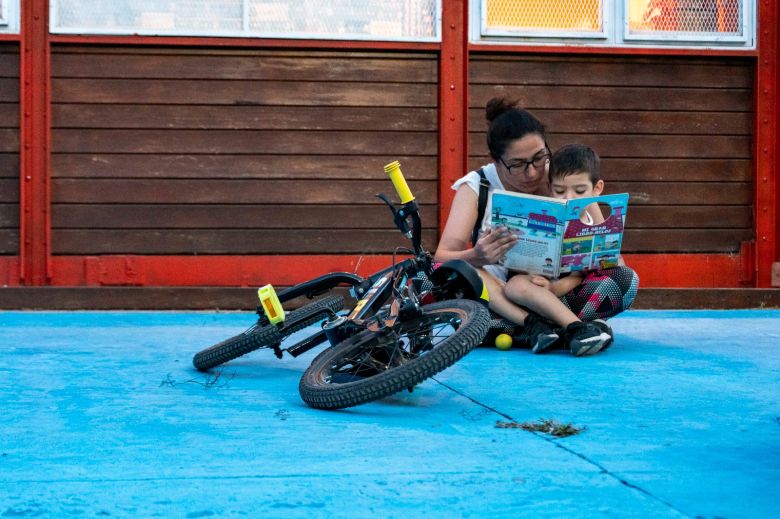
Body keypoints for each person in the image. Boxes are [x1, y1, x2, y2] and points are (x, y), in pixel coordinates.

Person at [434, 98, 638, 356]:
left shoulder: (566, 177)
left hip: (555, 293)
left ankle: (531, 331)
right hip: (498, 299)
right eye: (518, 164)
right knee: (433, 280)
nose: (532, 173)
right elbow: (442, 257)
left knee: (624, 280)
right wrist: (476, 256)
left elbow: (607, 249)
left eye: (539, 158)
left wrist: (595, 262)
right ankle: (553, 328)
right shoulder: (477, 186)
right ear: (497, 161)